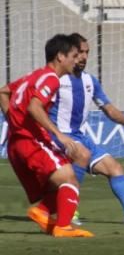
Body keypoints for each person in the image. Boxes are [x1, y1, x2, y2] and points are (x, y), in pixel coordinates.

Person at [51, 33, 124, 226]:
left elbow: (107, 107)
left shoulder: (90, 81)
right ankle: (68, 211)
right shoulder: (55, 79)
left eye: (87, 52)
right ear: (69, 53)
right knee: (77, 161)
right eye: (80, 52)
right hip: (58, 137)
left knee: (114, 168)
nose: (84, 57)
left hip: (81, 137)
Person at [0, 34, 93, 238]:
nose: (77, 60)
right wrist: (59, 134)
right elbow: (35, 107)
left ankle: (43, 213)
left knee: (62, 179)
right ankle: (63, 226)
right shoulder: (51, 78)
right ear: (60, 56)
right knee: (70, 178)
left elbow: (3, 92)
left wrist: (14, 122)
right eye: (74, 55)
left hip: (17, 145)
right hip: (31, 142)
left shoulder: (32, 76)